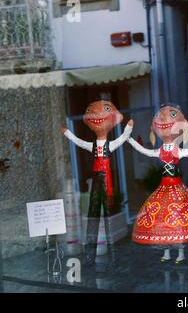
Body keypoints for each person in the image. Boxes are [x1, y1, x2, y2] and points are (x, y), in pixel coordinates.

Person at [127, 103, 188, 264]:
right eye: (159, 116)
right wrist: (130, 140)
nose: (163, 118)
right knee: (165, 221)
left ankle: (180, 253)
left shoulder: (177, 150)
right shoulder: (160, 150)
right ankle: (166, 252)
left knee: (178, 220)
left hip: (176, 187)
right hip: (164, 187)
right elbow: (144, 151)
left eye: (172, 115)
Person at [61, 97, 133, 264]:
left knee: (107, 214)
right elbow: (78, 142)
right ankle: (90, 252)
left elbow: (122, 138)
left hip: (106, 182)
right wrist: (67, 133)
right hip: (96, 182)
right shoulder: (92, 146)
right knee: (93, 215)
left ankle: (113, 251)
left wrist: (128, 128)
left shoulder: (110, 144)